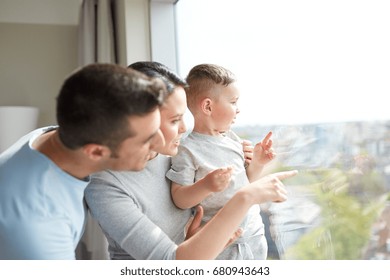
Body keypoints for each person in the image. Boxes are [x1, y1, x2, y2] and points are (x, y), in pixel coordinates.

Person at [85, 61, 297, 260]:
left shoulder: (172, 150)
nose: (184, 128)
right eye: (175, 120)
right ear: (139, 120)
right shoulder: (105, 188)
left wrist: (246, 161)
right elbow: (173, 263)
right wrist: (246, 197)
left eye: (182, 117)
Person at [0, 63, 166, 259]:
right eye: (147, 139)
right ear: (96, 152)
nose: (161, 143)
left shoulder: (53, 137)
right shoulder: (38, 227)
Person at [166, 63, 275, 259]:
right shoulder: (187, 149)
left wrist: (258, 162)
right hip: (224, 245)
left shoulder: (233, 139)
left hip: (253, 235)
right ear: (207, 106)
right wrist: (206, 186)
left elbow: (245, 183)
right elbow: (179, 199)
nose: (238, 109)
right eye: (233, 102)